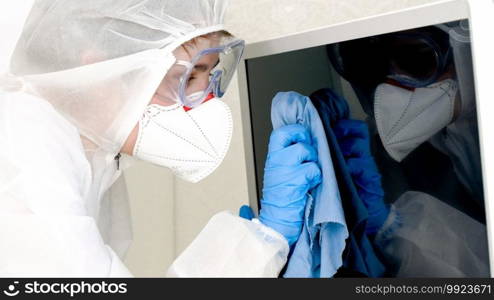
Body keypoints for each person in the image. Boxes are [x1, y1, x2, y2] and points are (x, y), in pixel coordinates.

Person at [0, 0, 320, 277]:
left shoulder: (89, 155)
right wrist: (262, 241)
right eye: (186, 77)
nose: (202, 99)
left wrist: (255, 245)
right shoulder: (24, 163)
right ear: (103, 70)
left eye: (208, 75)